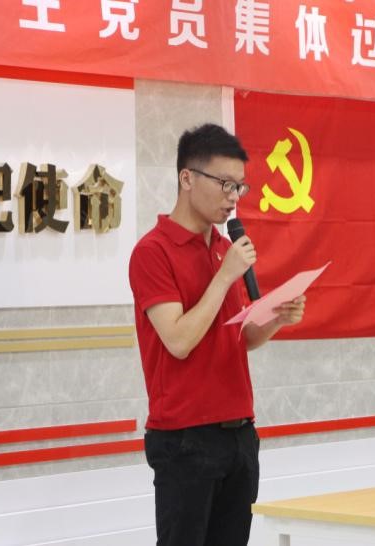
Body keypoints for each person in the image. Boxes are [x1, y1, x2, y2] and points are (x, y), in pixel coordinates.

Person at [128, 123, 306, 545]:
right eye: (225, 183)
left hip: (239, 434)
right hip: (186, 438)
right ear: (187, 178)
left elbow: (239, 338)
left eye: (239, 187)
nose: (233, 197)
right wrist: (225, 277)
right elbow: (178, 340)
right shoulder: (153, 252)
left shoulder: (225, 249)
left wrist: (276, 318)